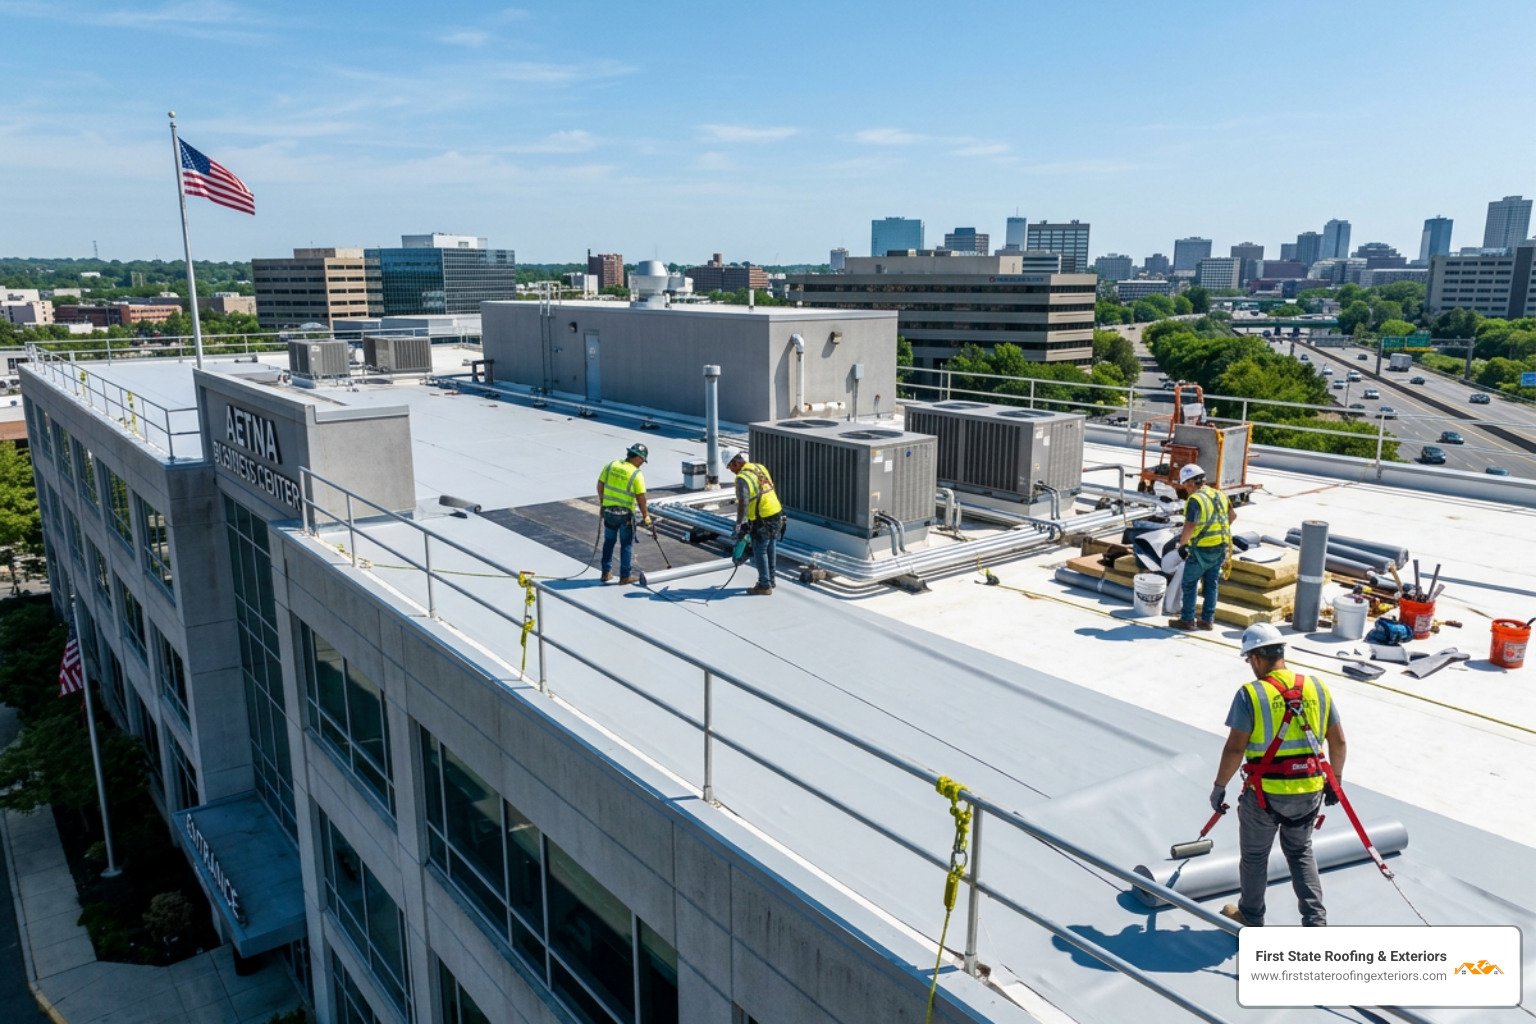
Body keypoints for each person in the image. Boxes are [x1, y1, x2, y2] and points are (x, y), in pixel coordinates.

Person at [1210, 623, 1347, 928]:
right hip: (1309, 791)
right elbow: (1338, 741)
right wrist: (1334, 782)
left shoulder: (1251, 694)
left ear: (1256, 658)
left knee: (1256, 856)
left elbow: (1235, 748)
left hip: (1265, 795)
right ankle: (1315, 924)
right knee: (1300, 852)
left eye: (1249, 661)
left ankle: (1251, 919)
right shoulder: (1317, 687)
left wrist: (1219, 786)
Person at [1168, 463, 1234, 631]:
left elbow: (1191, 524)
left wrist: (1182, 545)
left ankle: (1188, 620)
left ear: (1191, 482)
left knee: (1189, 584)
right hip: (1220, 547)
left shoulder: (1195, 500)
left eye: (1184, 484)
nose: (1184, 488)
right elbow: (1232, 516)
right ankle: (1207, 621)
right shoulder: (1220, 494)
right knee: (1211, 585)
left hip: (1201, 550)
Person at [726, 450, 784, 595]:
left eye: (730, 467)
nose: (731, 470)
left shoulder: (742, 478)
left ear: (736, 462)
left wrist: (739, 525)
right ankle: (770, 579)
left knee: (760, 549)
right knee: (771, 545)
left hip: (762, 517)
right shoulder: (759, 467)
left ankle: (764, 585)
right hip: (776, 511)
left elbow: (743, 503)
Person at [596, 443, 651, 584]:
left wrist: (603, 503)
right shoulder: (636, 474)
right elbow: (641, 498)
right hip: (625, 516)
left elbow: (600, 485)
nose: (642, 464)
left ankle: (605, 573)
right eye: (643, 461)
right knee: (626, 545)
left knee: (609, 542)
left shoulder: (611, 465)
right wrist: (646, 516)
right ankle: (625, 576)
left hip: (608, 512)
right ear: (638, 458)